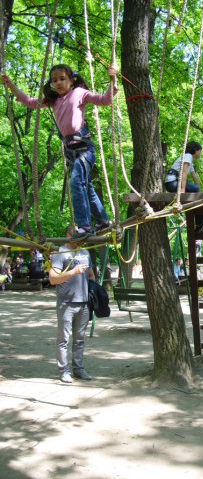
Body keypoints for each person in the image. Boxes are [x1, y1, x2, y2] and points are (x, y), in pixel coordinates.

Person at [1, 64, 118, 240]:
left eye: (62, 79)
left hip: (84, 147)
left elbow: (104, 99)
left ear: (71, 80)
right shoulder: (53, 101)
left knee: (76, 182)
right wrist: (10, 85)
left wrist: (113, 80)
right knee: (85, 187)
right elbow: (28, 101)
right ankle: (101, 221)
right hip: (71, 151)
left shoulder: (79, 93)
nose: (58, 83)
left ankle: (85, 226)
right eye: (54, 80)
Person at [49, 225, 95, 383]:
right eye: (78, 235)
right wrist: (72, 272)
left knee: (79, 339)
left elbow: (90, 274)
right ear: (69, 235)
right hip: (66, 303)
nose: (82, 239)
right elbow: (53, 279)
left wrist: (92, 290)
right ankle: (64, 371)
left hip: (83, 303)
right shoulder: (60, 252)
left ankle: (79, 369)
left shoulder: (85, 252)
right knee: (63, 340)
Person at [164, 141, 203, 233]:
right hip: (172, 183)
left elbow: (194, 177)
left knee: (196, 191)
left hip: (173, 183)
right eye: (200, 151)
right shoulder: (188, 156)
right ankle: (199, 224)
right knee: (195, 190)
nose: (200, 153)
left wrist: (200, 193)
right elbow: (183, 172)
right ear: (196, 150)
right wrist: (182, 189)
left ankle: (199, 224)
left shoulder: (190, 161)